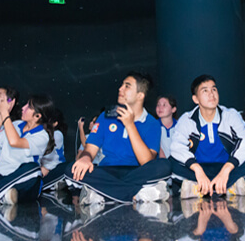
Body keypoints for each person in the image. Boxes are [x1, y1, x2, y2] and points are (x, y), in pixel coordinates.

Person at [65, 72, 171, 206]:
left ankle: (103, 192)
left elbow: (147, 161)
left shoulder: (152, 123)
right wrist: (85, 158)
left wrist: (130, 125)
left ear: (140, 95)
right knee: (71, 168)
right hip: (107, 171)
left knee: (164, 166)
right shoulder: (105, 117)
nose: (120, 89)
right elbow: (90, 149)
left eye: (127, 86)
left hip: (137, 172)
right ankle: (135, 194)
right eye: (121, 85)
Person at [170, 74, 245, 199]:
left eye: (214, 89)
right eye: (205, 91)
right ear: (196, 99)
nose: (211, 94)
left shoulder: (230, 115)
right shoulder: (187, 119)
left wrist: (226, 170)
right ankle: (229, 186)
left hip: (227, 168)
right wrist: (197, 169)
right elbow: (177, 147)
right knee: (171, 162)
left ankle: (202, 188)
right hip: (198, 170)